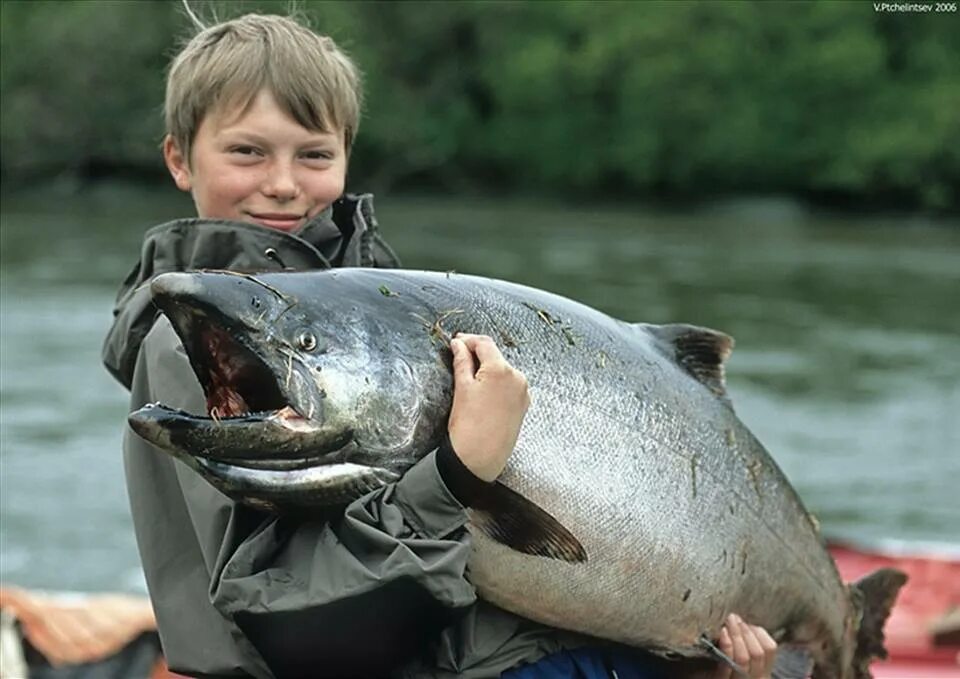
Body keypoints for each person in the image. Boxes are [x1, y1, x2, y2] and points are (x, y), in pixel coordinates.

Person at [102, 11, 778, 679]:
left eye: (314, 154)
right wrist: (456, 471)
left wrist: (691, 658)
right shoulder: (202, 346)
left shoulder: (384, 298)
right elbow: (301, 623)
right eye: (247, 151)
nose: (282, 182)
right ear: (178, 158)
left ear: (345, 156)